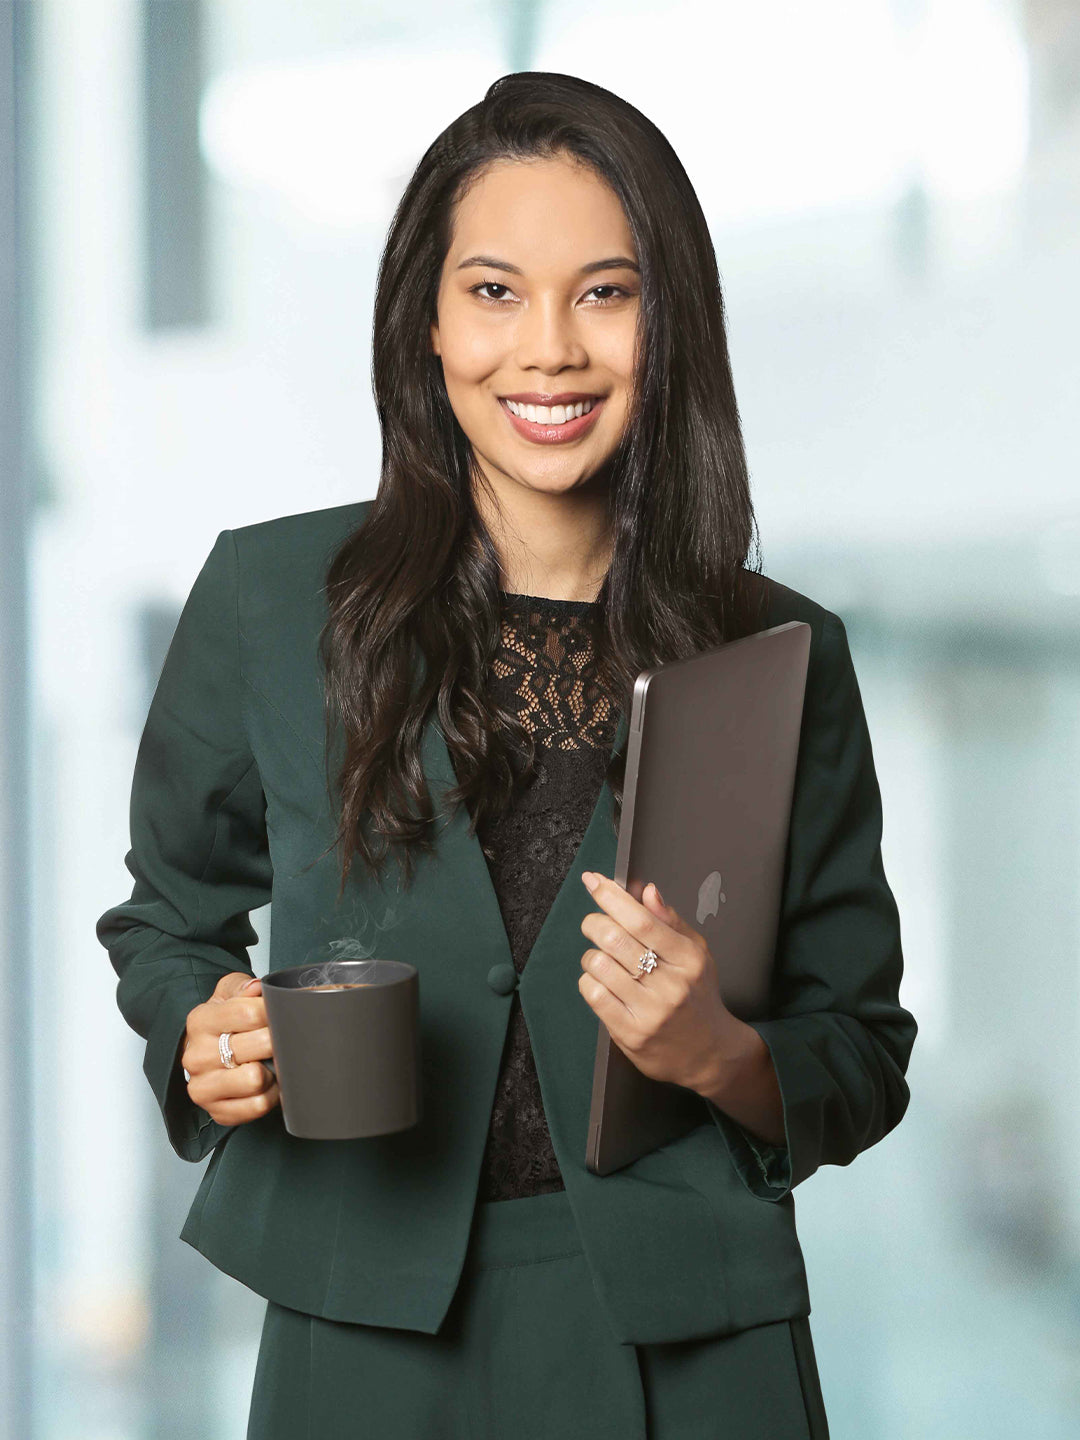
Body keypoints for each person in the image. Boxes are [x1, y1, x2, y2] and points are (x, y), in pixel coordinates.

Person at [96, 71, 917, 1439]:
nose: (549, 351)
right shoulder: (268, 600)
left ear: (672, 323)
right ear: (425, 319)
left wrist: (717, 1052)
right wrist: (203, 1031)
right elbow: (166, 917)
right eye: (493, 292)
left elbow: (864, 1046)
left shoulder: (780, 654)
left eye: (605, 292)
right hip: (363, 1321)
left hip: (696, 1339)